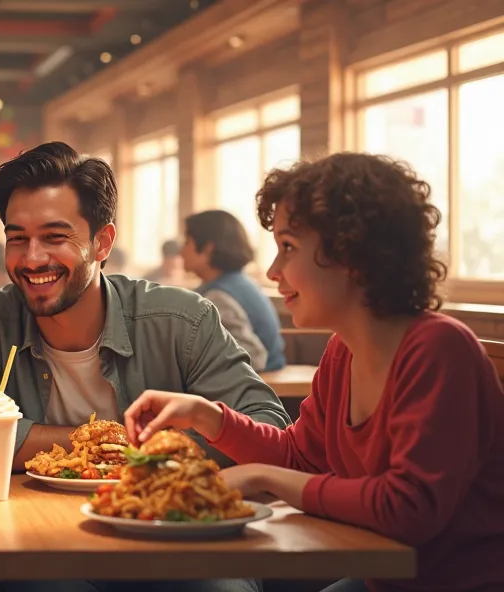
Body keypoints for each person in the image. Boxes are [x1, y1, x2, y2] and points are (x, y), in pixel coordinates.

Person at [124, 153, 504, 592]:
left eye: (288, 247)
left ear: (353, 255)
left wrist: (261, 477)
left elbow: (408, 509)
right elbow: (301, 458)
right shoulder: (343, 351)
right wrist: (207, 416)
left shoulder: (439, 349)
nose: (272, 271)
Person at [0, 141, 287, 592]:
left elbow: (267, 429)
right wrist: (122, 441)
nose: (31, 259)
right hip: (38, 543)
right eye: (17, 237)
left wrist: (55, 444)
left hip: (173, 541)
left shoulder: (181, 319)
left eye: (55, 236)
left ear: (102, 241)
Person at [180, 210, 285, 372]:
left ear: (208, 249)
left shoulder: (219, 296)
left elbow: (254, 357)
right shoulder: (237, 282)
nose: (181, 251)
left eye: (187, 242)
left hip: (256, 384)